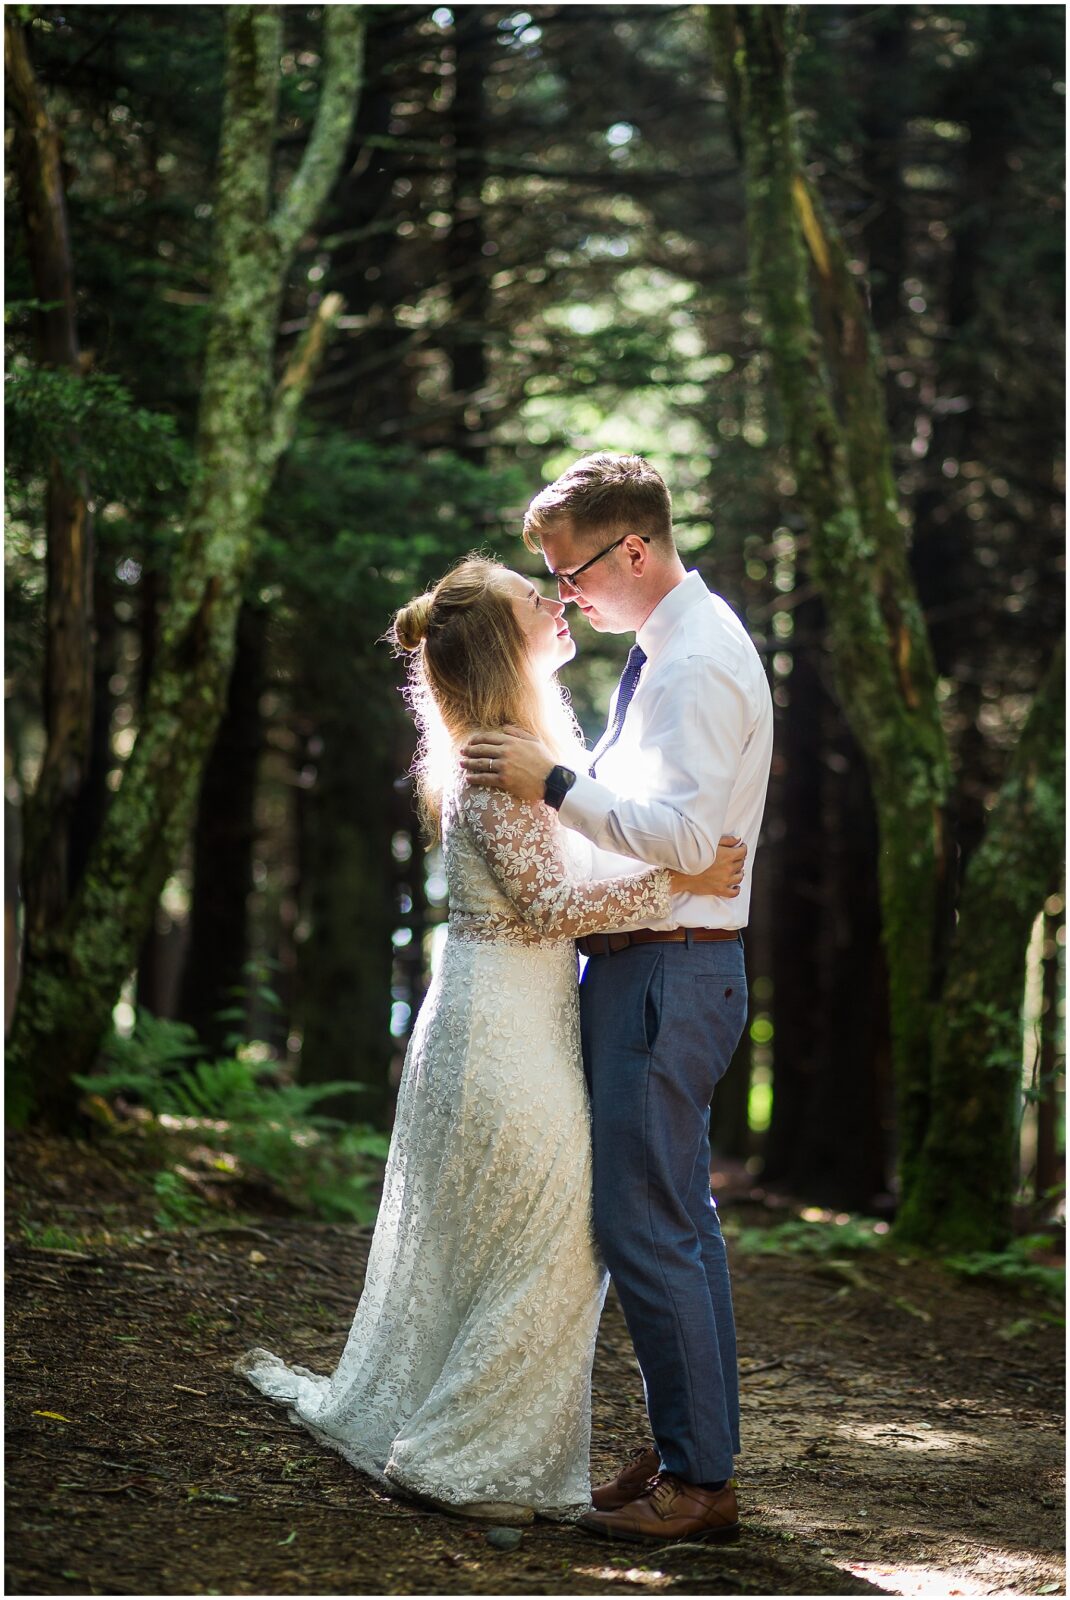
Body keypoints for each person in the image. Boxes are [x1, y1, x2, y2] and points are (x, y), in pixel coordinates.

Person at [234, 554, 746, 1527]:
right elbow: (550, 903)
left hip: (516, 1017)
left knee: (529, 1235)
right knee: (555, 1237)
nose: (555, 605)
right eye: (532, 600)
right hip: (500, 1031)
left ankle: (478, 1437)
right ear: (498, 644)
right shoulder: (496, 759)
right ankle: (464, 1456)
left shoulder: (527, 746)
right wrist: (686, 882)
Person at [461, 453, 774, 1545]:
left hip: (665, 968)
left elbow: (689, 842)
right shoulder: (665, 647)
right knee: (675, 1220)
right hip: (654, 961)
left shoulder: (692, 663)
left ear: (631, 547)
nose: (563, 595)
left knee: (644, 1224)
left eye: (571, 570)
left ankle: (698, 1480)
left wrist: (548, 784)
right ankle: (688, 1443)